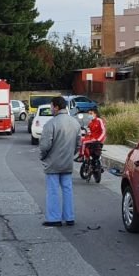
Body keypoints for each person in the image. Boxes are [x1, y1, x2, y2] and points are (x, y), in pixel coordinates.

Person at [38, 96, 81, 227]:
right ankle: (69, 217)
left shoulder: (51, 124)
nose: (51, 108)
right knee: (67, 189)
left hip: (53, 163)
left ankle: (54, 218)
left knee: (53, 190)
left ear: (56, 107)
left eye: (51, 106)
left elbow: (44, 146)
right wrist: (70, 155)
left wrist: (43, 157)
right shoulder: (75, 123)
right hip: (67, 162)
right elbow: (78, 144)